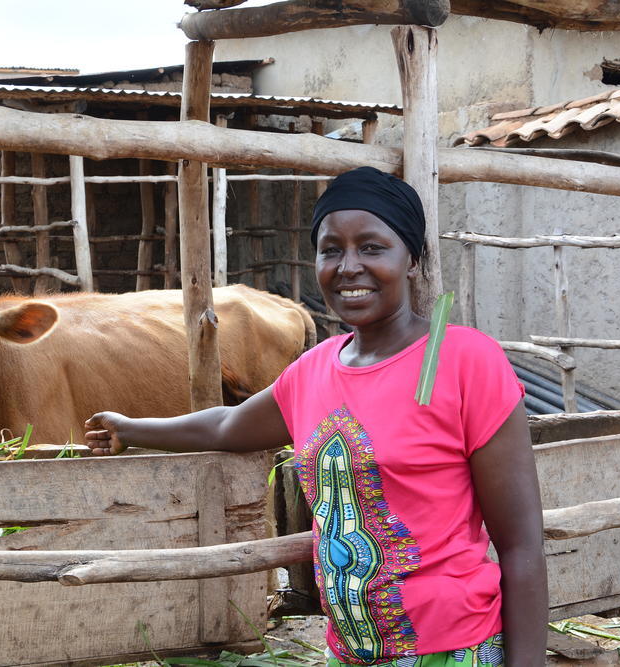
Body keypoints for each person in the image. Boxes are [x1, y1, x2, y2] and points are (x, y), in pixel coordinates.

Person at [85, 167, 548, 666]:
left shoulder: (464, 361)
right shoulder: (313, 371)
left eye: (372, 247)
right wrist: (131, 429)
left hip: (454, 651)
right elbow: (227, 425)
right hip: (346, 654)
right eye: (332, 249)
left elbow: (521, 545)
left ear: (411, 258)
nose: (349, 266)